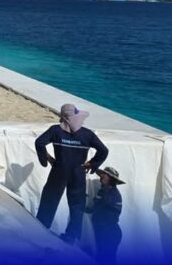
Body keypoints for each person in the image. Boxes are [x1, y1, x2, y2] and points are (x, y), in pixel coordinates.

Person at [35, 104, 109, 244]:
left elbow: (39, 142)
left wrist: (46, 159)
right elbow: (104, 151)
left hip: (59, 171)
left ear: (63, 116)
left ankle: (41, 228)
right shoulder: (87, 134)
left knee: (50, 199)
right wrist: (92, 164)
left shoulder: (55, 130)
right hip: (78, 172)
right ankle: (71, 236)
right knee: (77, 205)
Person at [88, 166, 124, 264]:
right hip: (104, 231)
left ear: (111, 179)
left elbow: (102, 203)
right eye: (102, 174)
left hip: (109, 232)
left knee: (106, 259)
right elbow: (98, 207)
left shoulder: (111, 193)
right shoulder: (104, 190)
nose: (101, 176)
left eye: (105, 175)